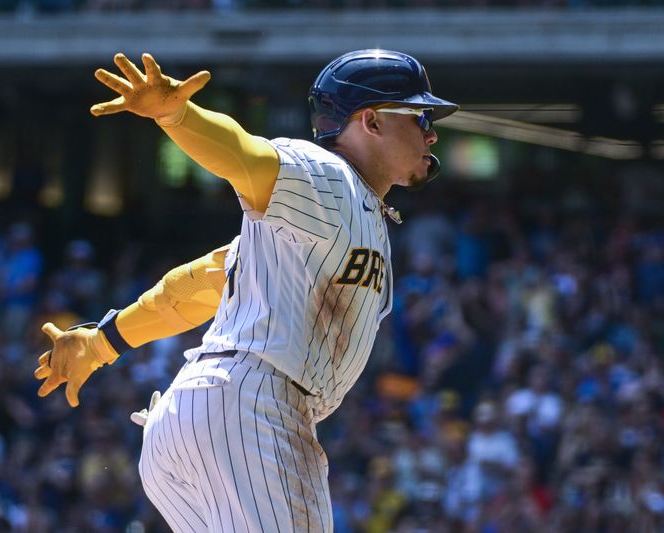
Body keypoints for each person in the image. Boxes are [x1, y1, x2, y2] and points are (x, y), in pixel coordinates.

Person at [35, 49, 458, 532]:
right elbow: (246, 156)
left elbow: (206, 281)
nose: (432, 131)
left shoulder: (339, 212)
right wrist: (178, 115)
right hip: (253, 408)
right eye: (420, 115)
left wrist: (105, 340)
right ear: (371, 122)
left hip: (196, 415)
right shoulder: (330, 176)